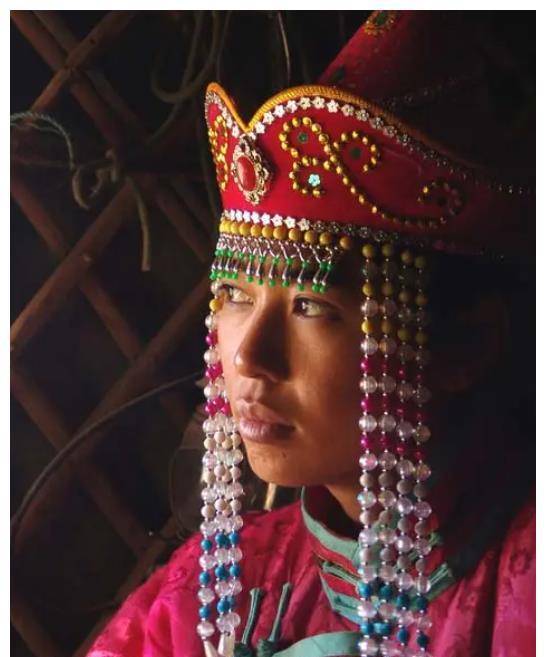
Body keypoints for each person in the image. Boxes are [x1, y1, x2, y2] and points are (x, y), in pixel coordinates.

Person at [86, 10, 534, 657]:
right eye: (235, 295)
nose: (248, 355)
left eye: (311, 305)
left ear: (466, 344)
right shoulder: (205, 594)